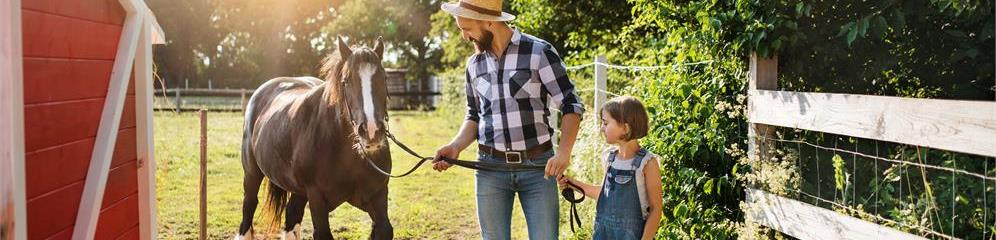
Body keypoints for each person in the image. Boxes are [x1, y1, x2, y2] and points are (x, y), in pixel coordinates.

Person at [434, 0, 586, 239]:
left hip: (538, 168)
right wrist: (455, 146)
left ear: (488, 21)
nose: (464, 37)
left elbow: (571, 104)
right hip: (489, 168)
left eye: (467, 29)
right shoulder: (474, 64)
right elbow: (474, 115)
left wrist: (564, 153)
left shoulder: (539, 52)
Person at [558, 96, 663, 240]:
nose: (602, 128)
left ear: (625, 128)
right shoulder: (609, 158)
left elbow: (656, 209)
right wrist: (572, 183)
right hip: (604, 234)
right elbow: (603, 194)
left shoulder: (647, 163)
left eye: (606, 123)